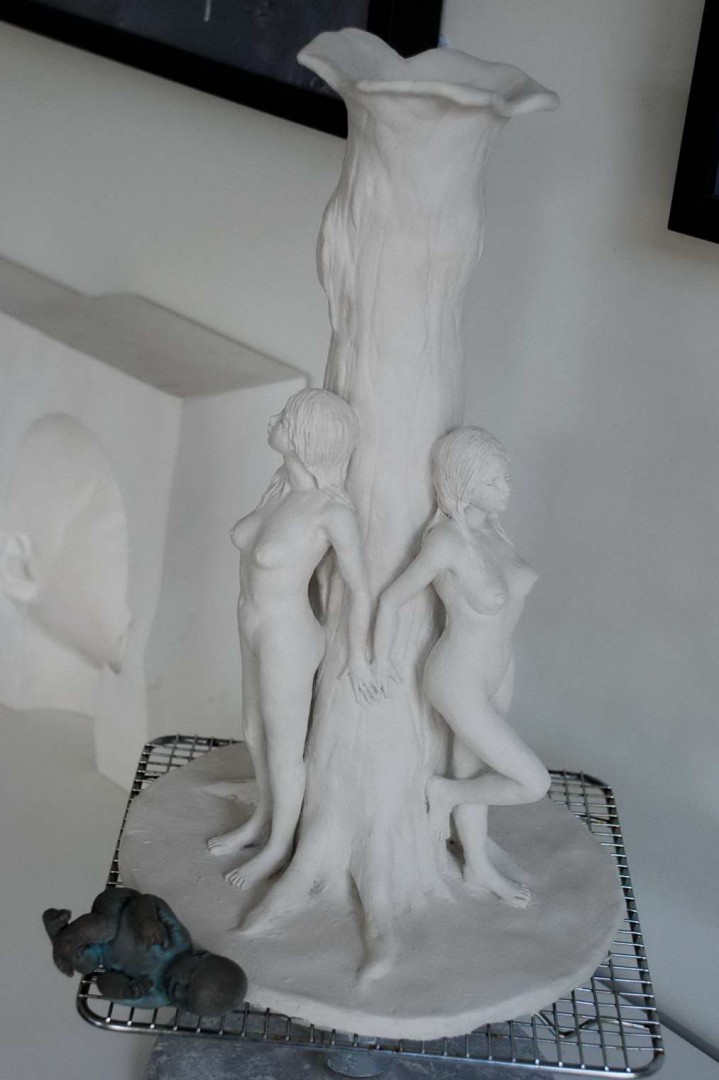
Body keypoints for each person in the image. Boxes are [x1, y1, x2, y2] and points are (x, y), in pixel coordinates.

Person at [208, 388, 379, 889]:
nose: (274, 419)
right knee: (253, 730)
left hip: (288, 636)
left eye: (285, 417)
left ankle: (280, 846)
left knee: (284, 746)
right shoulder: (279, 488)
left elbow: (360, 588)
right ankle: (262, 818)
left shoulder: (331, 512)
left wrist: (362, 656)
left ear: (308, 437)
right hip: (251, 625)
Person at [373, 427, 550, 907]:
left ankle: (476, 866)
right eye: (494, 483)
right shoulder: (448, 540)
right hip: (458, 676)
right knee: (533, 782)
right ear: (464, 484)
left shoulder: (492, 532)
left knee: (474, 771)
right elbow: (391, 599)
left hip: (499, 670)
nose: (506, 491)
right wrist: (376, 662)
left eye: (506, 479)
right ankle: (444, 793)